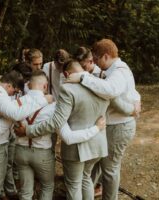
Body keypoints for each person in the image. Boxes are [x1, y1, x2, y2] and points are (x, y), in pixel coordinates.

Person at [14, 60, 110, 200]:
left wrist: (28, 131)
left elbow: (58, 124)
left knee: (74, 184)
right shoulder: (103, 85)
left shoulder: (67, 89)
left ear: (66, 74)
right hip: (97, 143)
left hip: (75, 148)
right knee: (86, 178)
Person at [66, 38, 141, 200]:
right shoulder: (117, 69)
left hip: (119, 126)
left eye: (97, 59)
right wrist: (136, 101)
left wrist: (82, 78)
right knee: (106, 166)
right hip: (115, 124)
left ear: (106, 56)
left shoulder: (118, 71)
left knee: (110, 169)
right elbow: (133, 92)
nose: (96, 63)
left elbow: (110, 90)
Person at [0, 70, 51, 200]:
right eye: (14, 91)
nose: (13, 95)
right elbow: (16, 114)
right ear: (9, 85)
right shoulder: (0, 99)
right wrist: (43, 100)